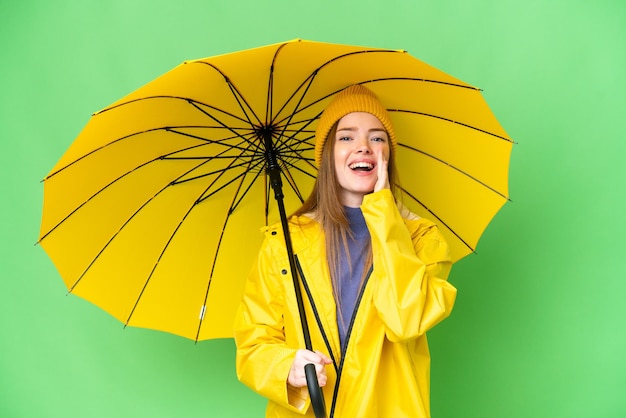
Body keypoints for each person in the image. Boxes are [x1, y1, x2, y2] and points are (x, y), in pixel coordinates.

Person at [234, 85, 457, 417]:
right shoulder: (284, 243)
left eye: (377, 138)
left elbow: (404, 319)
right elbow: (253, 344)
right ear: (327, 154)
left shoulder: (422, 238)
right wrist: (286, 368)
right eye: (347, 137)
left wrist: (383, 214)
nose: (364, 147)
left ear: (388, 155)